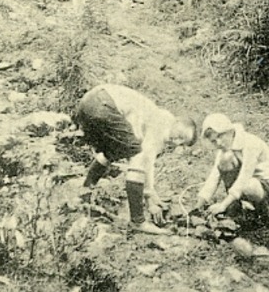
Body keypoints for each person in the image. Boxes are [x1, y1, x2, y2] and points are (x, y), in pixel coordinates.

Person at [74, 83, 197, 235]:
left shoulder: (158, 119)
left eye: (182, 143)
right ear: (177, 122)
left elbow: (149, 161)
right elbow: (145, 158)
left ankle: (84, 194)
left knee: (113, 152)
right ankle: (138, 221)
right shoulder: (163, 121)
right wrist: (148, 194)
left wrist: (150, 192)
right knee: (136, 155)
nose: (177, 141)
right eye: (181, 135)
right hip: (103, 103)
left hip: (88, 103)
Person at [195, 112, 269, 236]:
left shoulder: (250, 143)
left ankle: (265, 214)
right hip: (244, 183)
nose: (218, 143)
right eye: (214, 141)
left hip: (265, 186)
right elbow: (214, 176)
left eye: (220, 136)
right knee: (225, 160)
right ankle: (235, 209)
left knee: (249, 186)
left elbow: (244, 177)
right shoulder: (224, 148)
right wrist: (199, 204)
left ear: (228, 131)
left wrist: (222, 205)